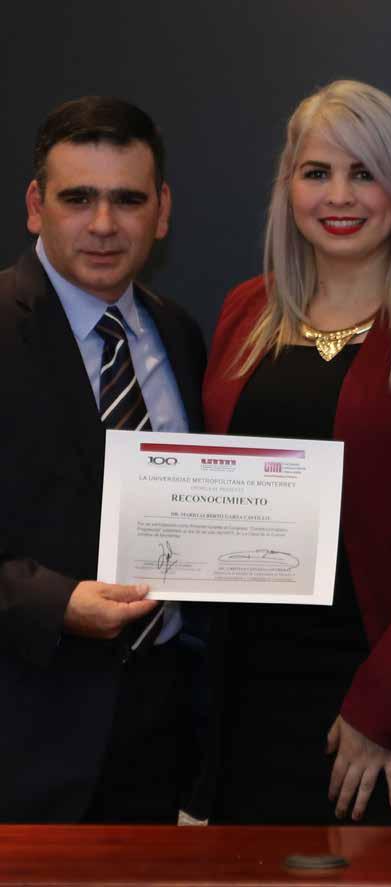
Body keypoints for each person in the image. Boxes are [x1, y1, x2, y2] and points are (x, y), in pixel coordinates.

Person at [199, 80, 391, 825]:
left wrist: (384, 708)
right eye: (317, 172)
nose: (340, 196)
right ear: (287, 186)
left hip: (383, 702)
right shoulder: (247, 310)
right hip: (248, 691)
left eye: (365, 173)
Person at [0, 96, 206, 823]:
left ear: (163, 211)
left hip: (161, 736)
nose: (104, 224)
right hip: (24, 744)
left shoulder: (179, 335)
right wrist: (58, 605)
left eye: (128, 199)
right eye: (77, 198)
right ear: (36, 207)